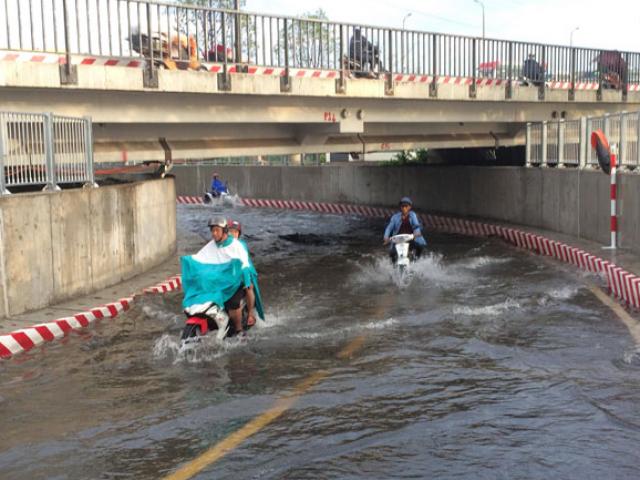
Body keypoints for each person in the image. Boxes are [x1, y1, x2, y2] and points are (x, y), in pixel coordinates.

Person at [181, 217, 263, 337]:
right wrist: (189, 263)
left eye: (217, 230)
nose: (214, 234)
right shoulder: (211, 245)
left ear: (224, 231)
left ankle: (240, 329)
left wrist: (245, 272)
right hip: (219, 281)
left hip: (234, 279)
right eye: (212, 231)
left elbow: (244, 261)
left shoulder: (237, 245)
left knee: (234, 303)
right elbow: (199, 258)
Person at [383, 197, 427, 262]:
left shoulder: (413, 215)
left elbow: (416, 226)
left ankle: (416, 261)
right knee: (392, 253)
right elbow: (389, 228)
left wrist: (416, 233)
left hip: (410, 239)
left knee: (420, 247)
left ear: (410, 207)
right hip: (398, 240)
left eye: (406, 206)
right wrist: (386, 237)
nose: (404, 208)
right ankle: (393, 267)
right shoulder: (395, 217)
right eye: (402, 206)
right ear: (400, 207)